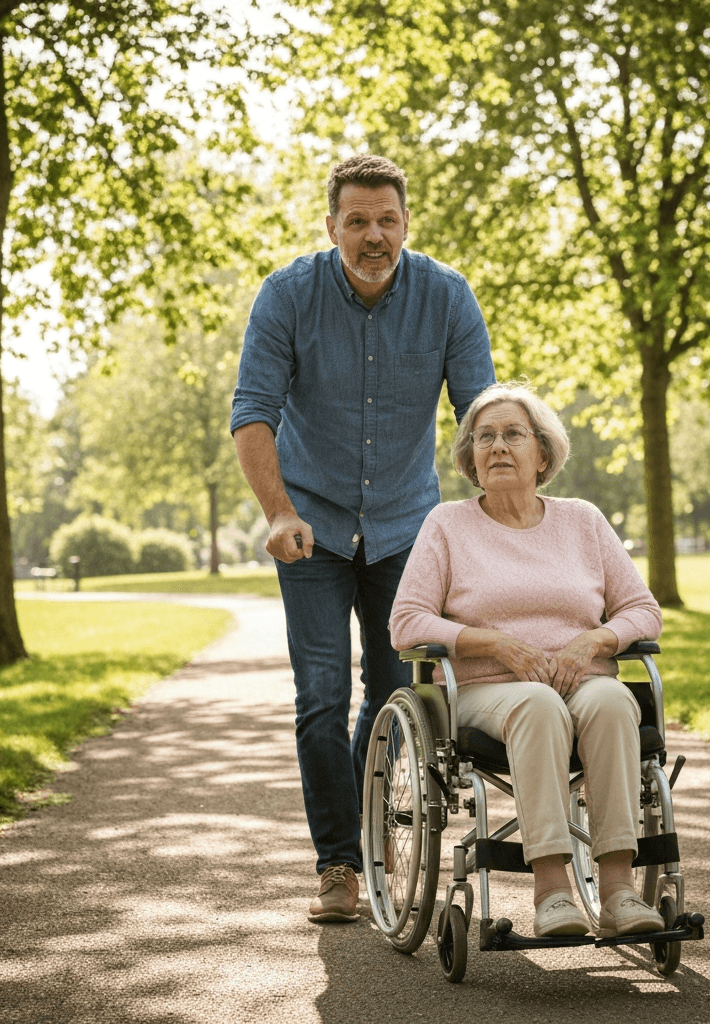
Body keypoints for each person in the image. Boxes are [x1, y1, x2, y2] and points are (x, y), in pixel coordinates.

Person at [231, 155, 496, 923]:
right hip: (310, 527)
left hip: (407, 529)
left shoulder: (446, 296)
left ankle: (367, 825)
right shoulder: (287, 295)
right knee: (321, 695)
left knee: (390, 695)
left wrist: (486, 518)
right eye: (357, 221)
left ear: (406, 223)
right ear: (332, 226)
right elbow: (254, 411)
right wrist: (279, 511)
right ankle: (338, 865)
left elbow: (477, 415)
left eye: (387, 219)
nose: (373, 235)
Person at [389, 380, 666, 938]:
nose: (496, 446)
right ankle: (553, 891)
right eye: (483, 437)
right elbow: (406, 622)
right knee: (538, 705)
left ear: (543, 453)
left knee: (614, 700)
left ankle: (618, 890)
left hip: (581, 677)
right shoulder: (447, 525)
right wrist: (492, 642)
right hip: (489, 689)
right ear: (470, 457)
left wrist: (594, 642)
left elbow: (643, 610)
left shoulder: (582, 521)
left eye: (512, 434)